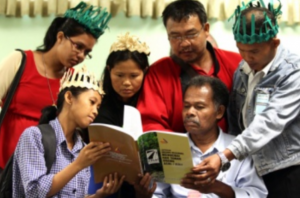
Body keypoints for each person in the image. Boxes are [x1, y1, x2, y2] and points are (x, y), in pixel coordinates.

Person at [194, 1, 300, 198]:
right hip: (252, 169)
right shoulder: (242, 70)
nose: (246, 57)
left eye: (254, 51)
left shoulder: (293, 72)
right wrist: (233, 165)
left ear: (274, 43)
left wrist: (223, 156)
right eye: (241, 49)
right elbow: (236, 121)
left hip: (286, 171)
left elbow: (269, 123)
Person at [0, 1, 111, 170]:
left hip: (45, 173)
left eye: (87, 52)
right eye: (78, 46)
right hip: (5, 166)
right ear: (60, 37)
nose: (81, 55)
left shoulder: (74, 82)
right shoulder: (20, 61)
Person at [12, 66, 125, 197]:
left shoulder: (82, 148)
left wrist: (98, 195)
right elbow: (34, 192)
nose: (96, 111)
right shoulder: (34, 136)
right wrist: (78, 164)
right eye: (92, 102)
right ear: (69, 97)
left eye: (98, 107)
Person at [153, 75, 267, 198]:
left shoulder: (237, 149)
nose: (190, 112)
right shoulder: (170, 146)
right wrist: (143, 193)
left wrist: (216, 188)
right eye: (186, 106)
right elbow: (157, 193)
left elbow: (257, 194)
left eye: (199, 107)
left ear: (219, 112)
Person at [137, 0, 242, 134]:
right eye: (175, 36)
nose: (184, 43)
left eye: (191, 34)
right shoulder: (159, 73)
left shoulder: (237, 63)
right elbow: (150, 124)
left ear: (206, 30)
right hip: (179, 151)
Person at [89, 32, 155, 198]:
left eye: (134, 76)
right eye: (119, 75)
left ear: (145, 71)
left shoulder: (152, 102)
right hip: (104, 179)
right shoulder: (97, 101)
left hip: (142, 182)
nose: (126, 82)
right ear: (109, 70)